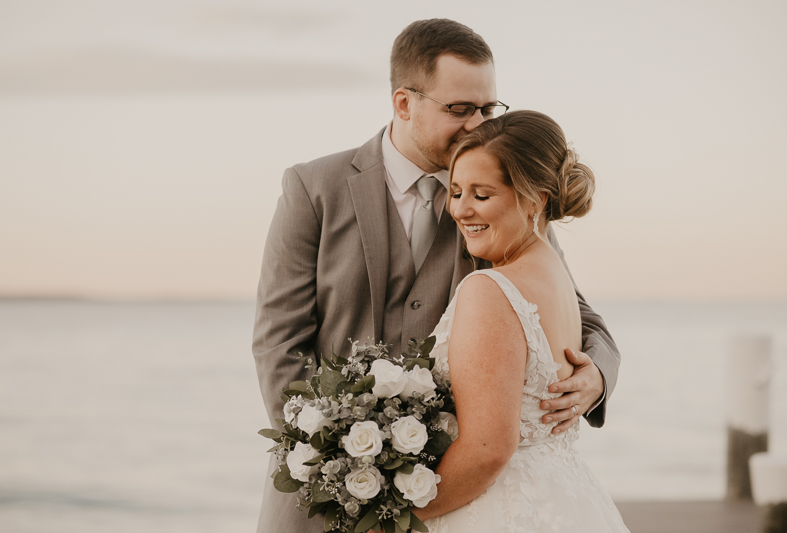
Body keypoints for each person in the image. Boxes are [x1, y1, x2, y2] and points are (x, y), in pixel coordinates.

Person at [252, 19, 620, 533]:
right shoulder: (314, 189)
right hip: (327, 496)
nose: (477, 125)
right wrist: (339, 463)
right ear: (404, 103)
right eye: (459, 110)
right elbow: (279, 342)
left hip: (455, 497)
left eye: (488, 109)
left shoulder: (504, 199)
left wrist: (596, 376)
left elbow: (575, 313)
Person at [411, 110, 629, 532]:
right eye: (456, 192)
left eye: (481, 194)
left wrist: (394, 516)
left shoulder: (490, 288)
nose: (461, 210)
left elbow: (489, 449)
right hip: (564, 498)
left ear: (535, 199)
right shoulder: (553, 275)